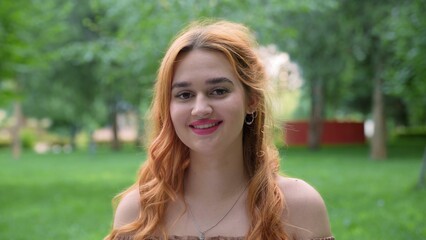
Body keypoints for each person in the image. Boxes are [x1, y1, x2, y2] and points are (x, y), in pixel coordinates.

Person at [105, 20, 334, 240]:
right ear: (168, 108)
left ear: (251, 100)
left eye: (218, 91)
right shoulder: (137, 214)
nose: (200, 109)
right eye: (185, 95)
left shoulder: (300, 207)